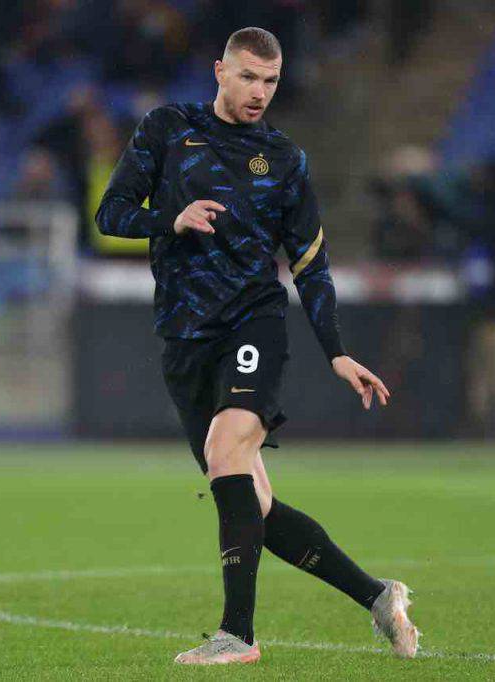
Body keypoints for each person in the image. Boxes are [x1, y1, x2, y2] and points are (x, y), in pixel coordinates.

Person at [95, 27, 419, 665]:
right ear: (220, 71)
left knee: (227, 447)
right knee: (253, 505)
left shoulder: (285, 161)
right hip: (185, 337)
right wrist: (171, 217)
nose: (259, 92)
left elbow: (311, 266)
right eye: (248, 77)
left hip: (254, 324)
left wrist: (335, 351)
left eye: (270, 81)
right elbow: (111, 214)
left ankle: (237, 636)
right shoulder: (167, 129)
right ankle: (378, 595)